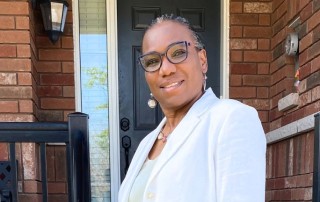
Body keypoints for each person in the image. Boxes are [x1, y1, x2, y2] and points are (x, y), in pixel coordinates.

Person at [118, 14, 266, 202]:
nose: (166, 69)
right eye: (152, 61)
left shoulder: (231, 119)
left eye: (178, 53)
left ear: (202, 59)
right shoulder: (147, 143)